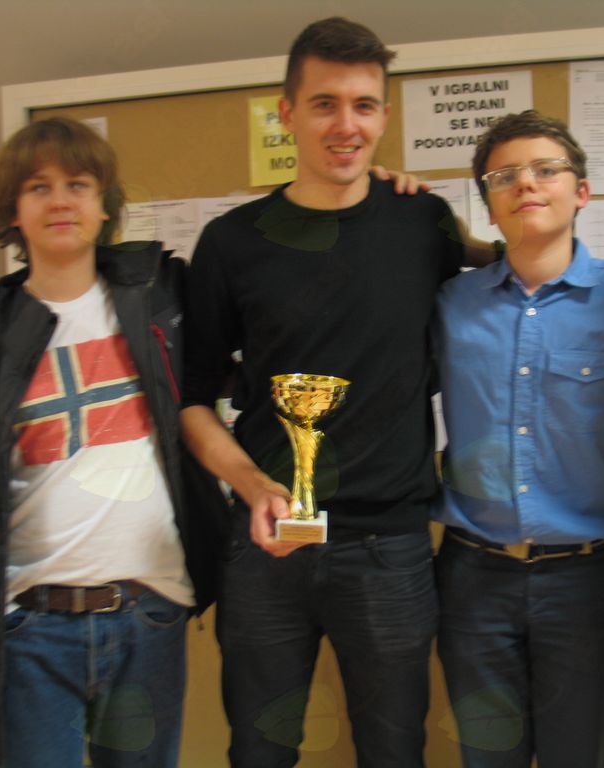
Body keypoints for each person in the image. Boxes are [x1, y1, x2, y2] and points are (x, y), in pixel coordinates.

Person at [179, 17, 489, 768]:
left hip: (391, 548)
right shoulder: (231, 241)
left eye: (363, 105)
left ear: (384, 115)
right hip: (267, 546)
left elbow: (512, 274)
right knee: (259, 751)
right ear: (287, 113)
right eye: (324, 104)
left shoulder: (423, 223)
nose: (345, 125)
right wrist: (251, 484)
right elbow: (191, 401)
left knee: (394, 753)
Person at [0, 117, 223, 767]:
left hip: (150, 615)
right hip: (27, 630)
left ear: (104, 206)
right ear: (12, 212)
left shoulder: (160, 299)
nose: (60, 201)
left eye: (78, 184)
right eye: (38, 187)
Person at [431, 110, 604, 767]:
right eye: (503, 176)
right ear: (488, 206)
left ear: (581, 191)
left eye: (545, 169)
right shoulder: (452, 305)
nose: (525, 184)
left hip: (584, 581)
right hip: (472, 577)